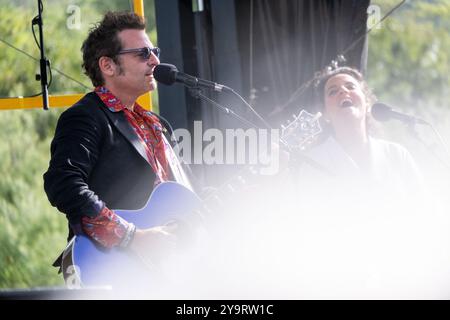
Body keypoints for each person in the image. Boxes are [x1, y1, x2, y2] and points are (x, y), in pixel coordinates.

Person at [43, 12, 192, 286]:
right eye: (143, 53)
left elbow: (181, 199)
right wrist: (132, 237)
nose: (156, 61)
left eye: (155, 51)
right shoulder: (86, 116)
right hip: (112, 269)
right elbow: (63, 183)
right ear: (108, 66)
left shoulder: (157, 124)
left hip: (163, 272)